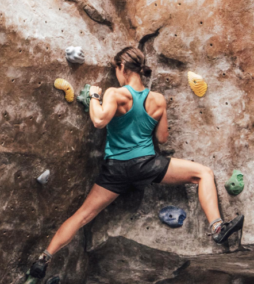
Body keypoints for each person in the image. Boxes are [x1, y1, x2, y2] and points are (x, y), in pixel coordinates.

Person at [29, 46, 244, 279]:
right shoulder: (158, 100)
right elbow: (162, 138)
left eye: (116, 70)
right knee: (203, 173)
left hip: (115, 171)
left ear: (122, 68)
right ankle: (217, 227)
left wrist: (93, 95)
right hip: (146, 166)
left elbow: (99, 120)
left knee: (82, 216)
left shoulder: (115, 94)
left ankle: (44, 259)